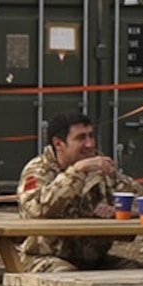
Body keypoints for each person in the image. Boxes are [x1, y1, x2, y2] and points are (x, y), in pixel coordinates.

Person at [16, 113, 122, 271]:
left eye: (91, 136)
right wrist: (76, 172)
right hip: (42, 258)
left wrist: (120, 211)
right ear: (58, 144)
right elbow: (34, 209)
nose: (89, 144)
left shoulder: (100, 168)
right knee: (71, 278)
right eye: (81, 138)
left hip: (93, 260)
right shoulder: (39, 170)